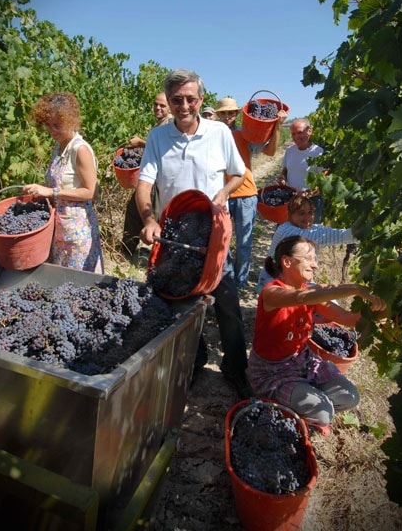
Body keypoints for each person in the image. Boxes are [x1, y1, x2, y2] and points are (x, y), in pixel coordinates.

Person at [135, 68, 253, 399]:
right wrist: (148, 218)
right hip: (174, 235)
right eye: (177, 100)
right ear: (169, 103)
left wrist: (223, 193)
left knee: (227, 303)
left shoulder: (218, 133)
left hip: (213, 236)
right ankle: (195, 361)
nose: (184, 105)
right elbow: (144, 185)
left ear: (201, 100)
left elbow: (239, 172)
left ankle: (235, 367)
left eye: (190, 98)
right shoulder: (158, 137)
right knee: (182, 306)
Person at [248, 235, 386, 434]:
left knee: (350, 397)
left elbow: (349, 319)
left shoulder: (310, 293)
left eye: (316, 260)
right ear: (287, 261)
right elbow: (304, 296)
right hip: (272, 371)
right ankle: (281, 406)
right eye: (309, 258)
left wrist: (383, 310)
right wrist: (354, 289)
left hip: (303, 362)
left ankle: (304, 401)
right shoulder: (272, 293)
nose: (315, 266)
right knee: (323, 414)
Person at [23, 91, 104, 273]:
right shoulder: (59, 147)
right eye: (49, 126)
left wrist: (51, 192)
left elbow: (92, 192)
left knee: (77, 284)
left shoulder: (80, 149)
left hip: (77, 233)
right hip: (59, 229)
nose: (52, 131)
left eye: (58, 126)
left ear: (72, 120)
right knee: (59, 280)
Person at [215, 96, 288, 288]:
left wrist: (277, 127)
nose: (228, 116)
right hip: (221, 195)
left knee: (244, 243)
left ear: (237, 114)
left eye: (231, 112)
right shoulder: (212, 135)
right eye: (224, 113)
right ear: (218, 115)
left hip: (246, 195)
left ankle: (240, 282)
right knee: (221, 241)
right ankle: (226, 279)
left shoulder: (244, 135)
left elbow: (270, 152)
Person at [257, 194, 358, 290]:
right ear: (290, 214)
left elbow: (323, 231)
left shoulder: (310, 228)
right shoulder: (288, 231)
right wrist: (365, 231)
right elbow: (336, 236)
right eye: (301, 213)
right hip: (271, 283)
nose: (307, 218)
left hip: (292, 279)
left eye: (310, 213)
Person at [122, 92, 172, 256]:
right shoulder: (160, 125)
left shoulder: (170, 125)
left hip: (157, 183)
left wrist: (141, 143)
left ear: (170, 107)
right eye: (156, 104)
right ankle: (129, 250)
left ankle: (139, 253)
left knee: (147, 214)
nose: (157, 108)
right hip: (151, 180)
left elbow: (164, 150)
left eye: (162, 105)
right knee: (137, 212)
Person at [277, 118, 325, 222]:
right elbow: (285, 170)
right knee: (289, 233)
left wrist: (309, 194)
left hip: (312, 202)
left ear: (309, 131)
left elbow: (324, 182)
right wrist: (283, 177)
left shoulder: (319, 153)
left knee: (310, 234)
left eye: (299, 133)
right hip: (291, 199)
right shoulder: (290, 151)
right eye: (293, 134)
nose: (296, 137)